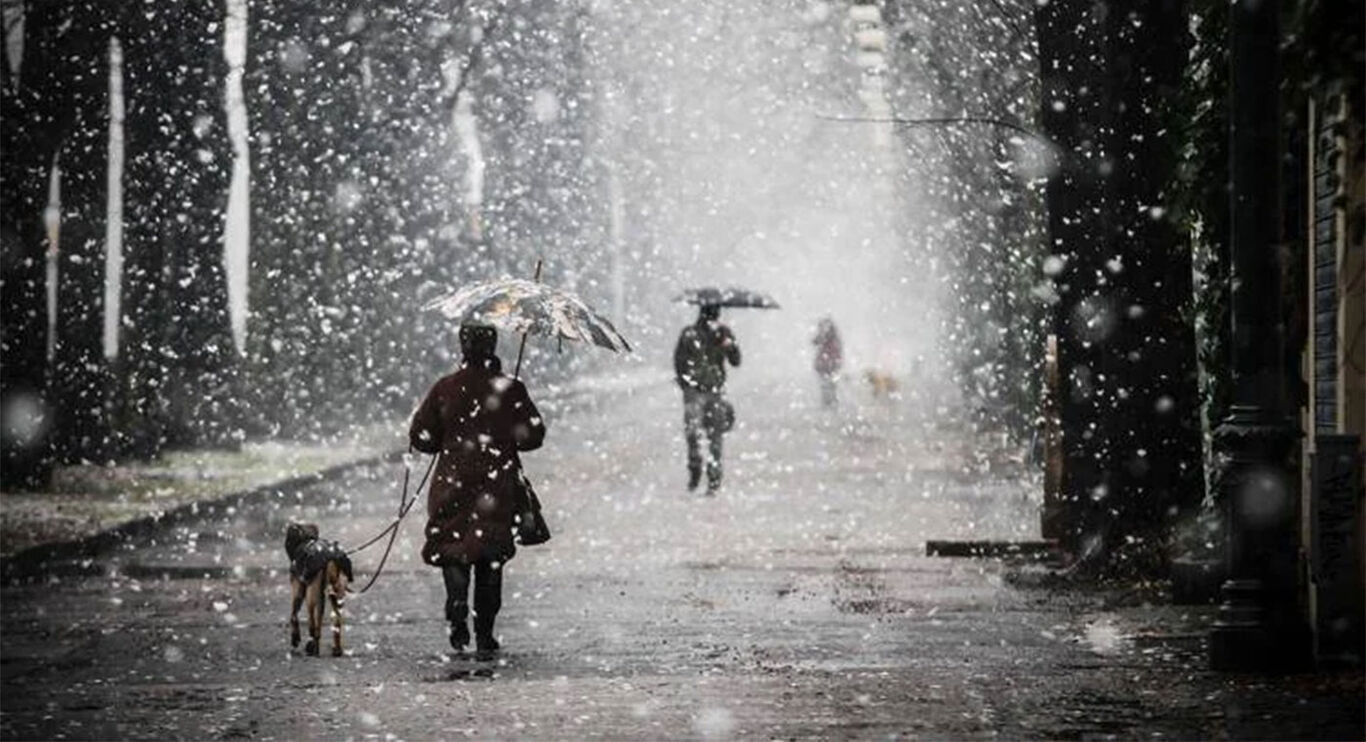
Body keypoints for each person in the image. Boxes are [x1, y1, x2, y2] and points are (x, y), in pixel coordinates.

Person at [409, 324, 545, 659]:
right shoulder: (510, 389)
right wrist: (509, 421)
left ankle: (457, 608)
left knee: (453, 545)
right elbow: (533, 438)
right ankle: (485, 633)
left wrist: (449, 438)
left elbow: (421, 436)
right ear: (493, 346)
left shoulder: (445, 388)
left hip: (452, 482)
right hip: (497, 483)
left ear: (463, 347)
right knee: (490, 555)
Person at [673, 304, 741, 494]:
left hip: (701, 391)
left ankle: (702, 471)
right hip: (706, 390)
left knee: (699, 434)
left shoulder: (704, 334)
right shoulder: (697, 334)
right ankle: (710, 474)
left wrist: (729, 346)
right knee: (712, 435)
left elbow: (679, 361)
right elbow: (736, 361)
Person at [811, 317, 842, 408]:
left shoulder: (827, 338)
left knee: (827, 384)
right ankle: (830, 401)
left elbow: (815, 342)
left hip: (826, 364)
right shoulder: (832, 338)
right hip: (829, 364)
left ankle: (829, 402)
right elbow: (815, 342)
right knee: (829, 384)